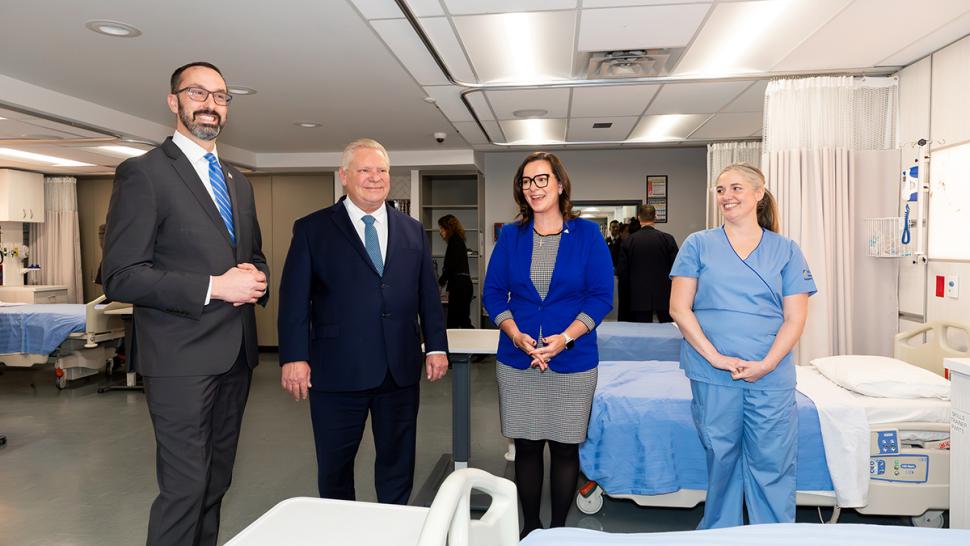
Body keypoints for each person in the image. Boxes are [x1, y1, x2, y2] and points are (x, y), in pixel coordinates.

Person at [102, 61, 269, 546]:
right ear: (174, 102)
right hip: (178, 360)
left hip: (235, 356)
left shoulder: (238, 180)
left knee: (215, 484)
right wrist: (215, 287)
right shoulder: (145, 173)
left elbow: (251, 254)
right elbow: (121, 275)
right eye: (198, 93)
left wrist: (256, 275)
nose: (210, 104)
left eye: (220, 96)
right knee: (185, 488)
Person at [277, 138, 449, 505]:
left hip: (399, 370)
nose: (375, 178)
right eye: (365, 170)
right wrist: (294, 357)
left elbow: (427, 296)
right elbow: (294, 299)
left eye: (382, 170)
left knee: (398, 463)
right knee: (335, 467)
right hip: (337, 371)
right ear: (344, 176)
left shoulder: (411, 230)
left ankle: (394, 529)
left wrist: (436, 345)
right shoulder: (312, 229)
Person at [668, 163, 816, 529]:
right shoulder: (698, 244)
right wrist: (716, 357)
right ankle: (721, 532)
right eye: (720, 190)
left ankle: (774, 536)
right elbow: (679, 308)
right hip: (711, 370)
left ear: (758, 193)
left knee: (773, 461)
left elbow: (794, 319)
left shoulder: (786, 250)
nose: (726, 197)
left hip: (770, 374)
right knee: (722, 458)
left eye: (735, 188)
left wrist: (766, 364)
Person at [482, 151, 613, 538]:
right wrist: (514, 333)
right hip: (518, 360)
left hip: (572, 361)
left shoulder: (587, 235)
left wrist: (566, 338)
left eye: (541, 179)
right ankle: (530, 529)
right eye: (526, 181)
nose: (533, 187)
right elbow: (492, 293)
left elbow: (601, 296)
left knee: (564, 449)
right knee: (525, 447)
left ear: (559, 184)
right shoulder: (511, 235)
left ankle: (558, 530)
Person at [617, 204, 679, 323]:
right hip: (664, 295)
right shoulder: (667, 239)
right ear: (655, 217)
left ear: (639, 218)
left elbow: (623, 273)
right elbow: (677, 268)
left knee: (641, 332)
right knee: (668, 331)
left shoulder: (629, 241)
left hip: (638, 297)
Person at [437, 214, 474, 329]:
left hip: (459, 287)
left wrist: (440, 282)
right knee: (462, 320)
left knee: (455, 322)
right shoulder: (458, 240)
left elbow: (450, 266)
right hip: (463, 286)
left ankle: (451, 346)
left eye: (442, 228)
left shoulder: (454, 242)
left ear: (448, 228)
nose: (440, 231)